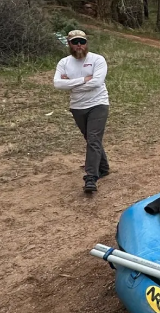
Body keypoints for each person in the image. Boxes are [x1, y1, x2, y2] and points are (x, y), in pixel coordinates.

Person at [53, 30, 110, 194]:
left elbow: (97, 82)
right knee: (92, 138)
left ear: (86, 43)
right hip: (77, 106)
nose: (79, 45)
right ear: (69, 43)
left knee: (93, 139)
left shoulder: (97, 59)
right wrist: (84, 79)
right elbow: (57, 84)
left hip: (98, 103)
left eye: (82, 41)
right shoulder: (64, 63)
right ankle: (104, 167)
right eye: (75, 41)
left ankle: (91, 177)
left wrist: (70, 83)